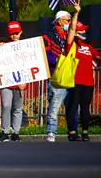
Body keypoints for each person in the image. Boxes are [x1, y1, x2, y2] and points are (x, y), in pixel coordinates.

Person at [65, 5, 101, 141]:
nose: (84, 33)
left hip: (88, 82)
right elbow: (72, 28)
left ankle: (85, 131)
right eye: (82, 30)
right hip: (75, 80)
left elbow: (97, 56)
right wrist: (75, 13)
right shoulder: (70, 44)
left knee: (85, 107)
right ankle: (72, 131)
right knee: (73, 105)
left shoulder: (88, 46)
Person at [45, 10, 75, 142]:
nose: (69, 23)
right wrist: (57, 60)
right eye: (67, 20)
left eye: (70, 21)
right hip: (55, 76)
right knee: (55, 105)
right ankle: (51, 132)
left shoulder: (70, 36)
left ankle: (72, 131)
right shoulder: (49, 36)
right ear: (59, 21)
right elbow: (45, 54)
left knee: (72, 106)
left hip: (70, 75)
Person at [0, 21, 26, 142]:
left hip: (20, 82)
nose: (14, 36)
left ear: (21, 32)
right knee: (6, 105)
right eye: (12, 34)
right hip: (6, 81)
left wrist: (25, 81)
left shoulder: (26, 46)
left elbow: (29, 65)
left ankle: (15, 132)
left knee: (17, 108)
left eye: (16, 33)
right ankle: (4, 131)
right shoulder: (4, 45)